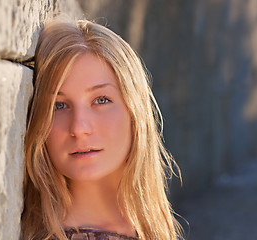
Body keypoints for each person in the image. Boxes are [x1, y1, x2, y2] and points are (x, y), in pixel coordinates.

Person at [21, 18, 182, 240]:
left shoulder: (146, 224)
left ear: (134, 110)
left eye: (101, 100)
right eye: (59, 105)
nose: (79, 127)